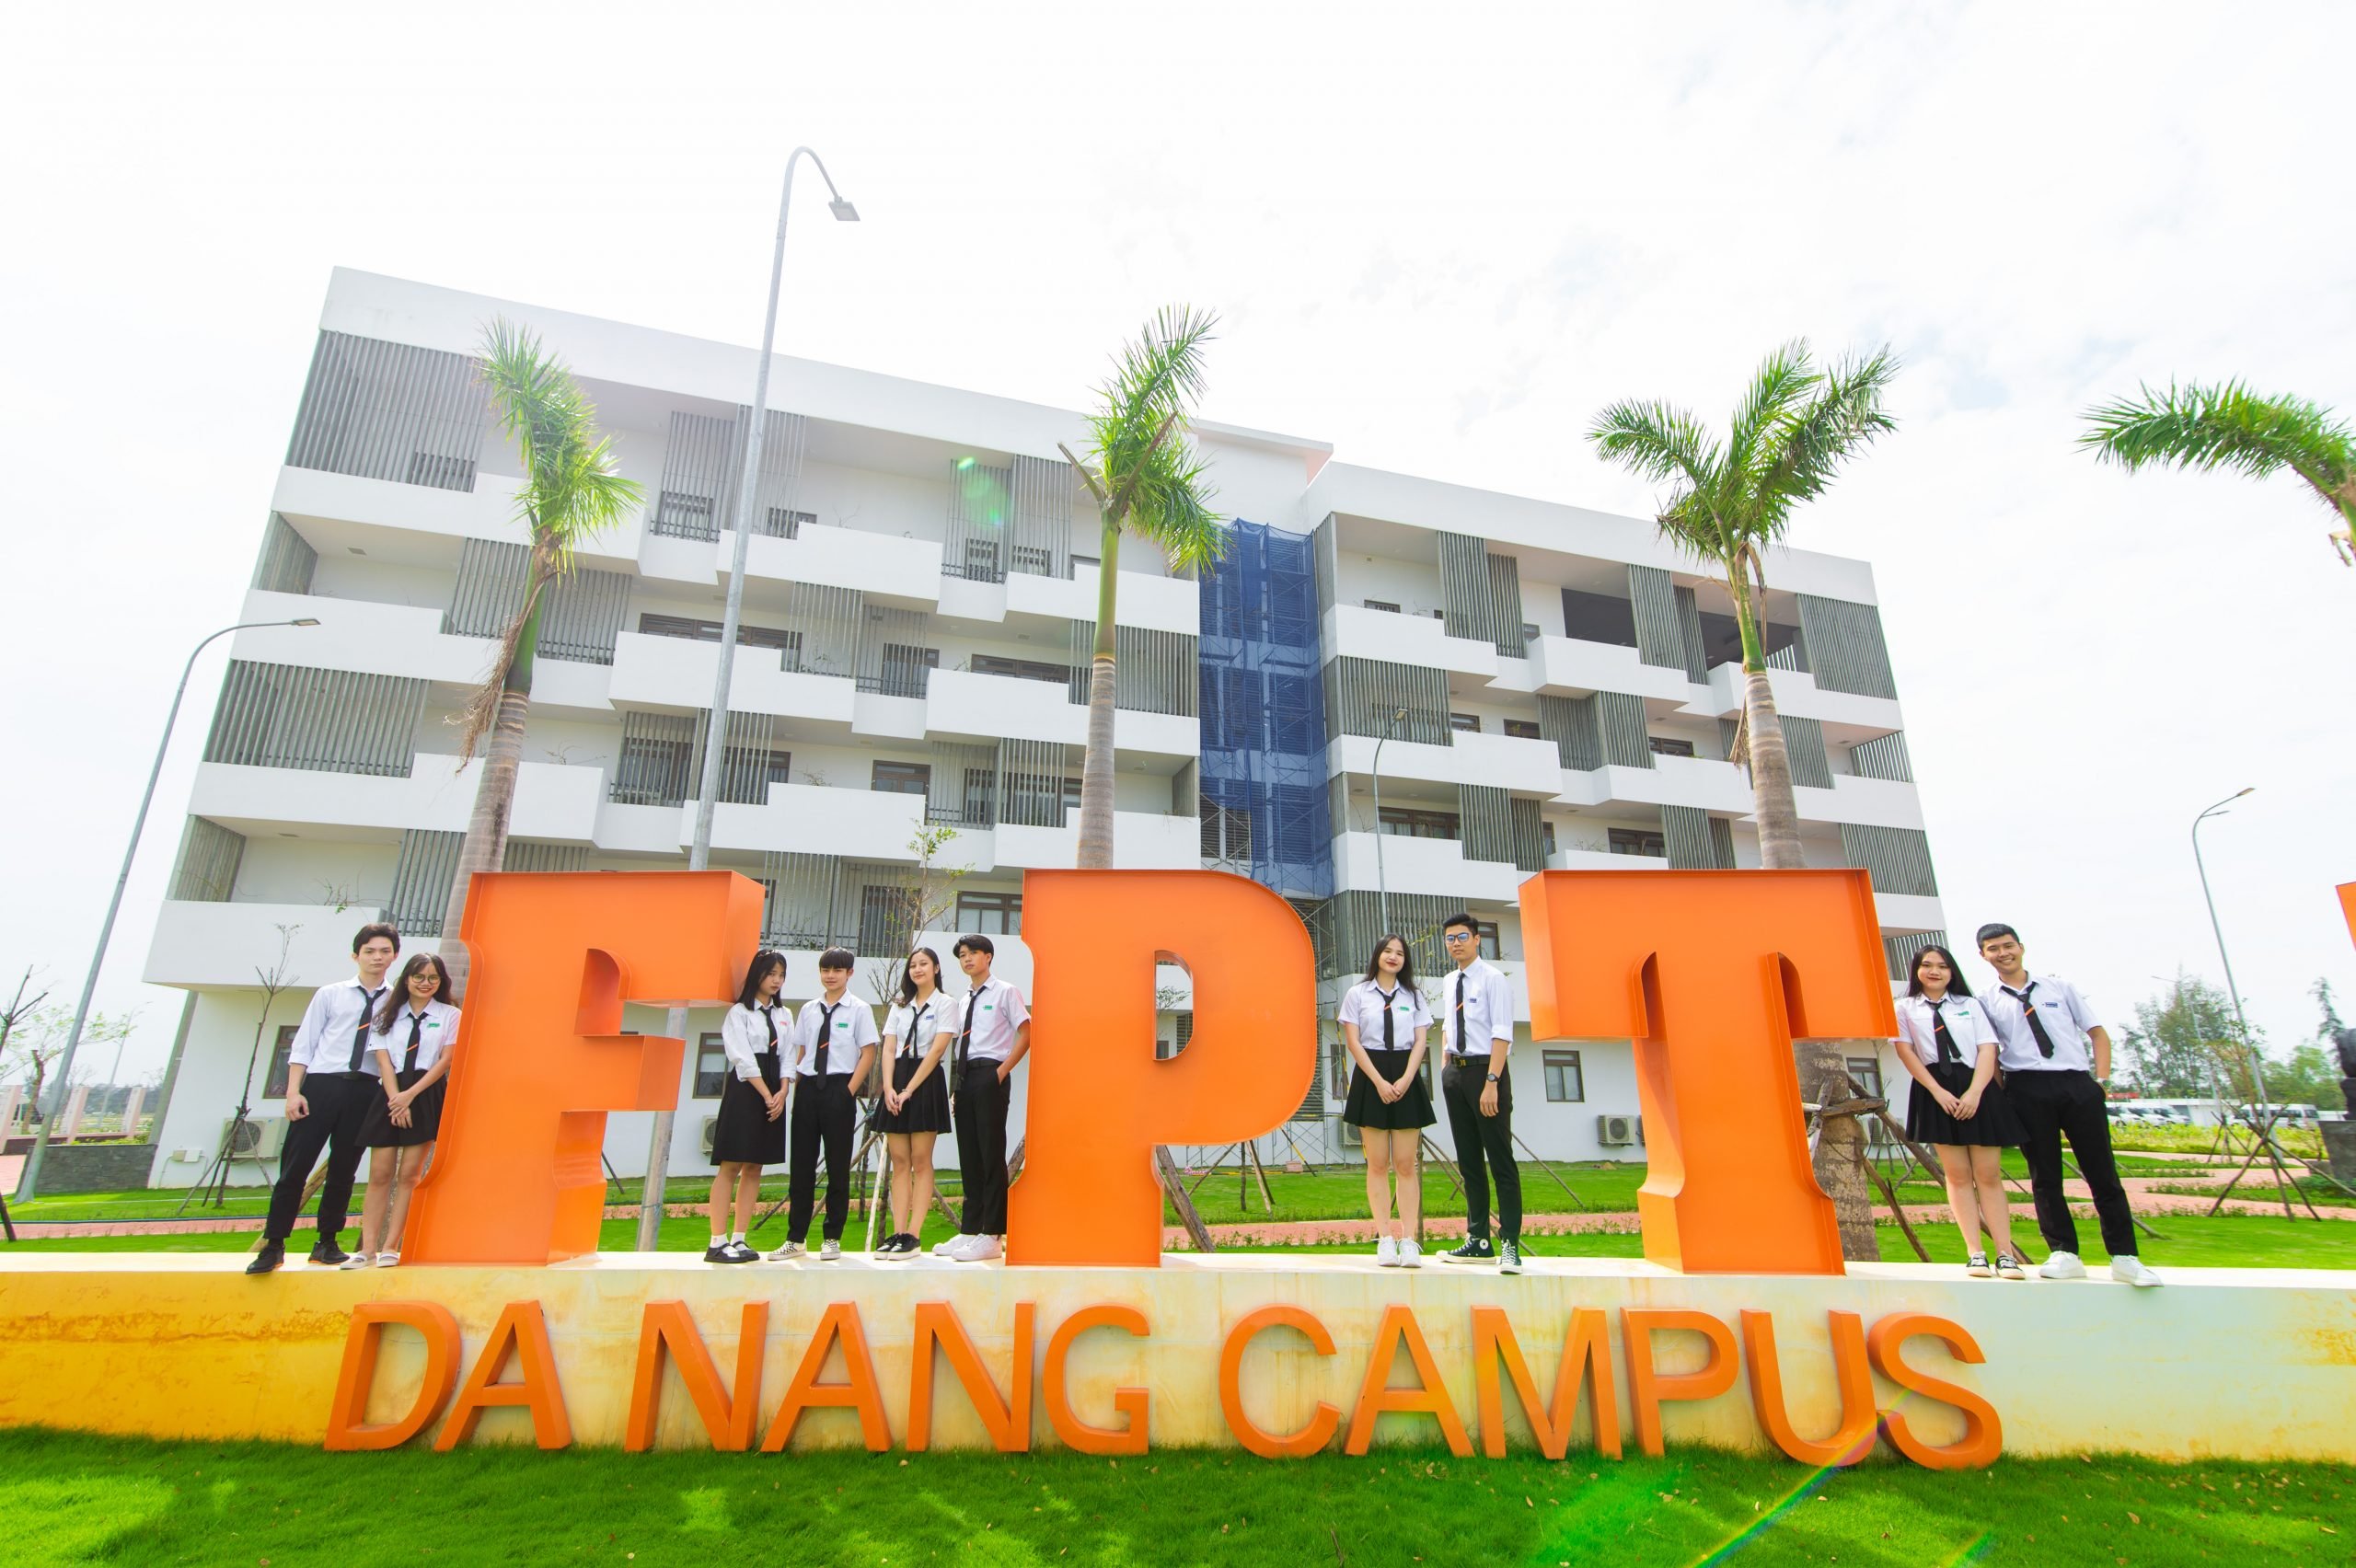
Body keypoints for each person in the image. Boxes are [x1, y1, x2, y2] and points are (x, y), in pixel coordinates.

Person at [1974, 923, 2161, 1287]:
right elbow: (1991, 1052)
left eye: (2008, 945)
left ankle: (2125, 1256)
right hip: (2025, 1087)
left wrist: (2100, 1083)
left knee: (2102, 1172)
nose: (2002, 953)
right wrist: (2001, 1096)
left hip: (2076, 1083)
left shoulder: (2059, 987)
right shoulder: (1986, 1000)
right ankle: (2064, 1251)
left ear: (2021, 947)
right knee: (2044, 1176)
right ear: (1983, 955)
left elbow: (2097, 1033)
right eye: (1993, 948)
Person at [248, 923, 403, 1275]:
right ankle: (274, 1245)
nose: (377, 958)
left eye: (384, 951)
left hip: (365, 1089)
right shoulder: (330, 994)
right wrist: (293, 1092)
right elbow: (304, 1044)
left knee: (344, 1170)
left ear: (394, 956)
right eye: (369, 951)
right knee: (295, 1167)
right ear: (356, 955)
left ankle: (327, 1242)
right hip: (321, 1086)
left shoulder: (397, 1000)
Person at [1892, 945, 2024, 1280]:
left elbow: (1987, 1048)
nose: (1934, 971)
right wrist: (1938, 1092)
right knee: (1958, 1175)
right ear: (1916, 970)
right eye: (1927, 965)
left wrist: (1975, 1093)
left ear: (1952, 972)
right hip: (1934, 1088)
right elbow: (1906, 1052)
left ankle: (2005, 1254)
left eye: (1942, 966)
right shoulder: (1904, 1008)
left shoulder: (1970, 1005)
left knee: (1988, 1174)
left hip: (1976, 1087)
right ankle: (1975, 1253)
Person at [347, 952, 459, 1269]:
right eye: (419, 977)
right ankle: (366, 1248)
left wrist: (411, 1096)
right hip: (390, 1091)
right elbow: (383, 1059)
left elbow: (445, 1060)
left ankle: (390, 1246)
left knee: (408, 1175)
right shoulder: (387, 1013)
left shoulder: (450, 1014)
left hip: (425, 1091)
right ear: (406, 979)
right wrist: (396, 1099)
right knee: (380, 1174)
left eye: (432, 978)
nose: (425, 983)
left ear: (441, 982)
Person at [1435, 912, 1525, 1274]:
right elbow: (1448, 1026)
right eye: (1449, 938)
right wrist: (1445, 1066)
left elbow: (1502, 1032)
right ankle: (1478, 1239)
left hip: (1486, 1074)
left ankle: (1510, 1245)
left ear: (1476, 940)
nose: (1455, 943)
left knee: (1501, 1161)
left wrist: (1492, 1081)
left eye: (1461, 937)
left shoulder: (1493, 980)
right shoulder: (1447, 981)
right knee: (1469, 1162)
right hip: (1455, 1076)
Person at [1339, 934, 1436, 1268]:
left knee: (1407, 1165)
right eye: (1387, 951)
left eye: (1400, 953)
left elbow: (1421, 1040)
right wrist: (1378, 1081)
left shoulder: (1414, 995)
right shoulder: (1358, 994)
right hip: (1371, 1073)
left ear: (1405, 960)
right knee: (1377, 1165)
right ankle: (1384, 1238)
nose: (1393, 957)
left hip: (1407, 1071)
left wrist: (1408, 1079)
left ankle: (1409, 1241)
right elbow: (1353, 1041)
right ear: (1377, 955)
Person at [776, 948, 878, 1261]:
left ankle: (832, 1237)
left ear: (849, 973)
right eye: (825, 969)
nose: (830, 975)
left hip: (839, 1089)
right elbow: (803, 1049)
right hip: (808, 1089)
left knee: (837, 1168)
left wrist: (848, 1091)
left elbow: (869, 1052)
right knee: (801, 1167)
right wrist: (795, 1085)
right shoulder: (808, 1009)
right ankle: (796, 1237)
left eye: (837, 970)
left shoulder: (859, 1009)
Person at [936, 934, 1031, 1262]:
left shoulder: (1005, 992)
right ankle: (969, 1229)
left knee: (990, 1154)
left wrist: (1001, 1072)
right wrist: (955, 1085)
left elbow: (1027, 1032)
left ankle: (992, 1233)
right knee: (969, 1156)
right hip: (965, 1080)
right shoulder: (962, 1000)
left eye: (973, 953)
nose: (967, 959)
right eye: (962, 955)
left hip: (991, 1075)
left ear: (988, 956)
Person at [706, 951, 791, 1264]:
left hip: (774, 1091)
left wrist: (782, 1091)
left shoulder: (784, 1016)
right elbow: (742, 1057)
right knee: (731, 1164)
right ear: (758, 974)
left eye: (781, 975)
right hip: (746, 1089)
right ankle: (717, 1241)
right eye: (771, 973)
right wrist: (766, 1093)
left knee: (755, 1166)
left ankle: (740, 1239)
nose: (776, 980)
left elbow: (788, 1056)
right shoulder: (739, 1013)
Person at [872, 947, 954, 1259]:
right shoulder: (900, 1006)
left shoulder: (946, 1004)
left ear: (935, 968)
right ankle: (897, 1232)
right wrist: (890, 1087)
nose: (917, 969)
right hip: (897, 1079)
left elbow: (936, 1051)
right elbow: (888, 1046)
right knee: (899, 1160)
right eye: (913, 965)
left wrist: (909, 1090)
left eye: (924, 964)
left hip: (926, 1079)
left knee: (921, 1160)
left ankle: (914, 1235)